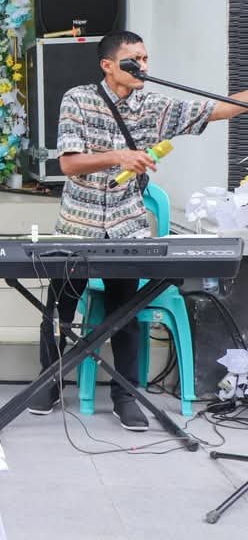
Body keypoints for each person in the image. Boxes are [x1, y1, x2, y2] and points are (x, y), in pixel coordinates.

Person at [29, 31, 248, 430]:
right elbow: (69, 164)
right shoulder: (78, 99)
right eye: (134, 60)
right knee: (58, 310)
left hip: (127, 226)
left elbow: (217, 109)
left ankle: (125, 395)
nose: (143, 66)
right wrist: (119, 156)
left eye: (146, 59)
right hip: (77, 225)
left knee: (125, 313)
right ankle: (50, 381)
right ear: (108, 65)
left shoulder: (154, 106)